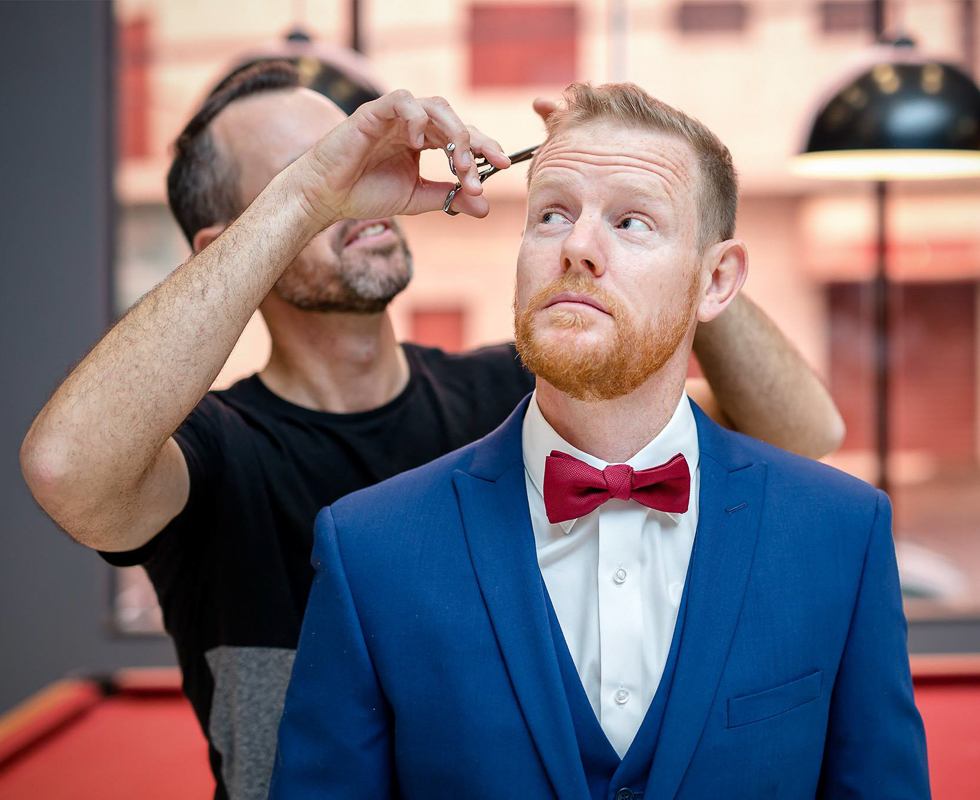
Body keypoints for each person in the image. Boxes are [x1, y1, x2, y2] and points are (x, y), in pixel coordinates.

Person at [17, 64, 845, 800]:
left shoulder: (512, 399)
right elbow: (63, 467)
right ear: (231, 242)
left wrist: (645, 201)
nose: (351, 180)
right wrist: (308, 196)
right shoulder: (211, 453)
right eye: (307, 171)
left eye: (350, 152)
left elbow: (800, 435)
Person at [268, 82, 929, 799]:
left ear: (716, 282)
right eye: (551, 214)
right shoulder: (369, 550)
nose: (577, 246)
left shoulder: (842, 533)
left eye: (632, 221)